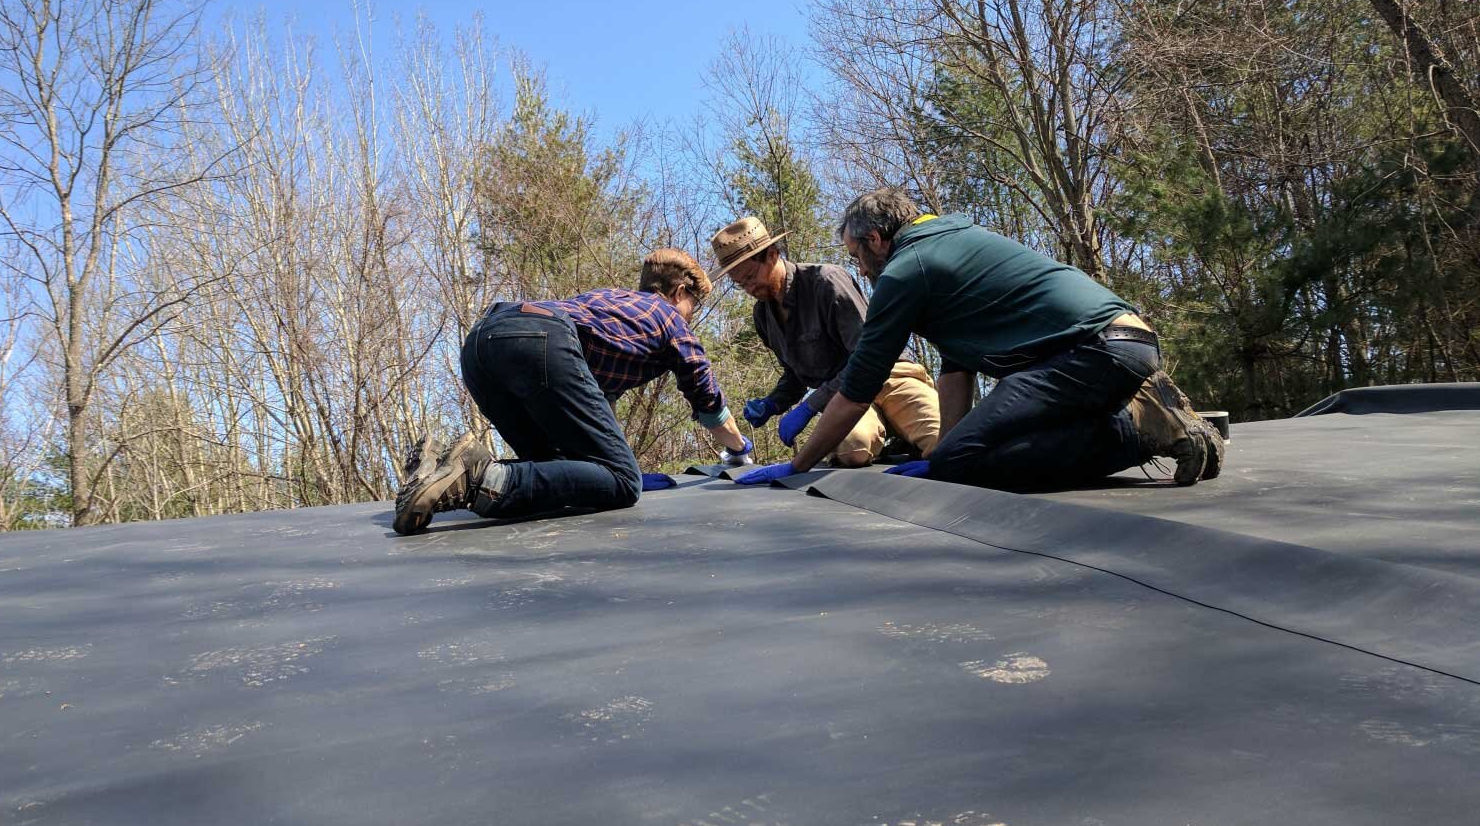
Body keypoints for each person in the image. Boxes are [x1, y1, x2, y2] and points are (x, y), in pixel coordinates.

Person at [736, 189, 1223, 492]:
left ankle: (1139, 429)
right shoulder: (950, 236)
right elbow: (956, 365)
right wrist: (941, 449)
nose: (860, 267)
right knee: (954, 454)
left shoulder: (905, 271)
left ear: (878, 238)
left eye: (858, 254)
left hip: (1089, 352)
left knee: (968, 462)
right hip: (1125, 342)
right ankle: (1135, 406)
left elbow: (861, 383)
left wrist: (797, 465)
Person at [393, 249, 752, 534]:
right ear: (679, 293)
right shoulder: (670, 319)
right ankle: (476, 477)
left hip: (482, 344)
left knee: (562, 475)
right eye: (694, 305)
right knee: (625, 484)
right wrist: (739, 450)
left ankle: (437, 465)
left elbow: (595, 411)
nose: (692, 315)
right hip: (540, 339)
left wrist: (608, 462)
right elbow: (707, 399)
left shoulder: (610, 304)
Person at [711, 215, 940, 466]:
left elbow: (869, 357)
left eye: (750, 276)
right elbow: (796, 374)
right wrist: (772, 402)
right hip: (844, 398)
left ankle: (910, 438)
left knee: (944, 441)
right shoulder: (763, 316)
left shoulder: (826, 281)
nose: (748, 288)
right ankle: (893, 443)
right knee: (851, 451)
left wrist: (810, 406)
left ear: (772, 255)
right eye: (739, 283)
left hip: (890, 376)